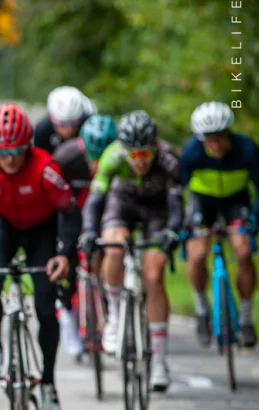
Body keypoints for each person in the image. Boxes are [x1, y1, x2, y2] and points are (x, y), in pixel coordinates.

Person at [0, 103, 81, 410]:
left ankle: (49, 383)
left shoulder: (46, 167)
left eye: (18, 150)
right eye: (2, 150)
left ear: (30, 146)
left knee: (43, 303)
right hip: (4, 224)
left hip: (42, 230)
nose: (10, 157)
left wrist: (63, 255)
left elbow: (70, 213)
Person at [78, 111, 182, 392]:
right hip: (122, 204)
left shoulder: (169, 159)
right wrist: (89, 231)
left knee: (153, 275)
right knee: (112, 246)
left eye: (146, 153)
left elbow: (177, 206)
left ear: (155, 146)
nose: (141, 161)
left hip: (157, 211)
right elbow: (94, 201)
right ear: (124, 150)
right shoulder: (112, 157)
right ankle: (113, 315)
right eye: (133, 155)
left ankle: (159, 361)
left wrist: (174, 231)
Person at [180, 101, 259, 349]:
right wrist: (181, 221)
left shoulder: (247, 150)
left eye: (220, 137)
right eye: (208, 139)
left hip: (235, 201)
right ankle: (201, 309)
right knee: (197, 254)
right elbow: (177, 189)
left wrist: (254, 215)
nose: (215, 144)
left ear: (229, 133)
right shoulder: (191, 153)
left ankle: (245, 317)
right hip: (203, 203)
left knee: (243, 250)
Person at [52, 114, 117, 359]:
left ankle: (109, 312)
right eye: (92, 156)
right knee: (65, 262)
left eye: (102, 157)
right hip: (70, 212)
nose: (97, 163)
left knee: (109, 255)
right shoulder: (66, 157)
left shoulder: (119, 160)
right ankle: (68, 314)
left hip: (102, 214)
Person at [34, 86, 96, 155]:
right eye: (62, 124)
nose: (69, 130)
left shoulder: (90, 124)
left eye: (74, 123)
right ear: (52, 120)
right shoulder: (42, 130)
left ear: (80, 118)